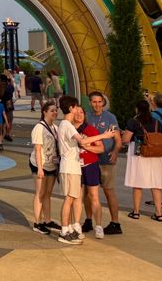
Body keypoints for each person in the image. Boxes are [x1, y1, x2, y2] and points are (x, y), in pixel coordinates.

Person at [54, 96, 114, 245]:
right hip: (70, 166)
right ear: (70, 108)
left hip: (73, 166)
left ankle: (71, 228)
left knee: (74, 198)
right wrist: (104, 135)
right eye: (75, 108)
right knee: (69, 199)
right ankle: (65, 231)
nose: (78, 111)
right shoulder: (67, 125)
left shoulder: (66, 125)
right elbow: (82, 141)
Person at [121, 99, 162, 222]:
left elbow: (126, 139)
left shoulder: (133, 121)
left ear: (137, 109)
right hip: (155, 154)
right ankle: (159, 214)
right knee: (156, 184)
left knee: (138, 183)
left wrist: (122, 134)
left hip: (140, 154)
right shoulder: (156, 121)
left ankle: (136, 212)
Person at [84, 92, 123, 237]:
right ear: (90, 102)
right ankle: (88, 220)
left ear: (103, 102)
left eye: (100, 101)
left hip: (106, 160)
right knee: (88, 193)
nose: (97, 105)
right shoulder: (86, 117)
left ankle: (115, 222)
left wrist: (115, 151)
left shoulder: (110, 117)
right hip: (90, 160)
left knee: (108, 191)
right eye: (94, 102)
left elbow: (117, 139)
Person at [29, 102, 61, 235]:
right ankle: (37, 222)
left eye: (56, 110)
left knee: (47, 194)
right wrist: (40, 169)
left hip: (51, 164)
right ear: (44, 112)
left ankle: (47, 220)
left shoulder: (55, 127)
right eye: (52, 110)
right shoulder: (39, 128)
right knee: (40, 193)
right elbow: (37, 149)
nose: (54, 113)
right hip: (39, 164)